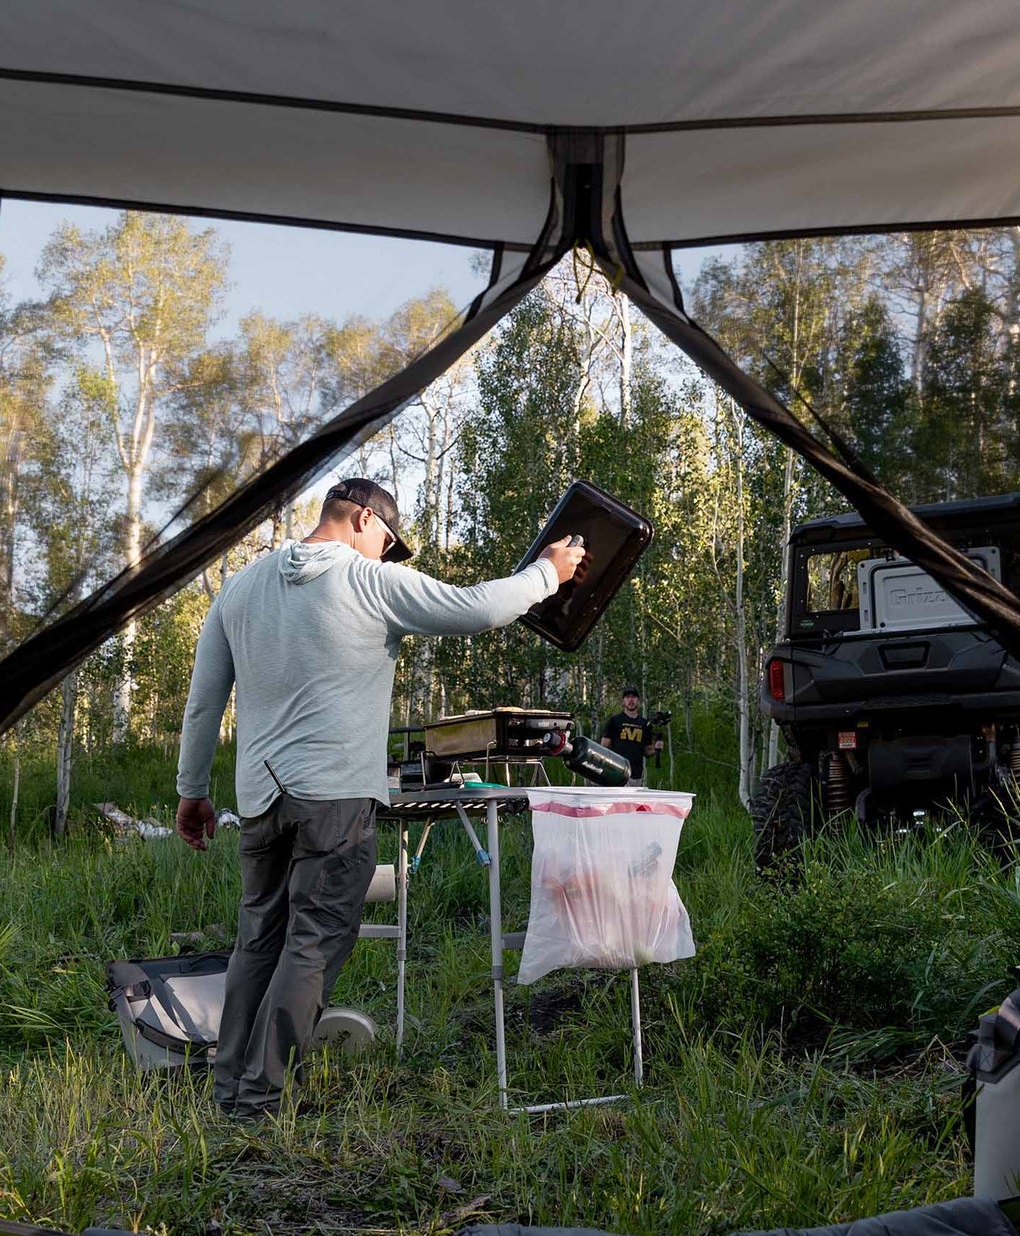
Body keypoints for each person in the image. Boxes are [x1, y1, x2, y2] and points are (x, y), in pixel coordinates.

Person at [175, 477, 585, 1118]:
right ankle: (258, 1101)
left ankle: (230, 1090)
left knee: (257, 942)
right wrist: (546, 573)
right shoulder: (368, 582)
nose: (388, 558)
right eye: (388, 544)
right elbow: (478, 607)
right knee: (312, 944)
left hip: (259, 799)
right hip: (335, 798)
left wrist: (192, 792)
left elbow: (203, 707)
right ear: (364, 520)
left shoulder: (240, 589)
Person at [601, 687, 661, 786]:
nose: (631, 700)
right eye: (627, 697)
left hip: (636, 774)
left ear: (638, 701)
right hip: (617, 773)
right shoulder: (615, 721)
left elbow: (647, 751)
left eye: (633, 697)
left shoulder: (644, 724)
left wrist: (656, 748)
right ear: (623, 701)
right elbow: (604, 747)